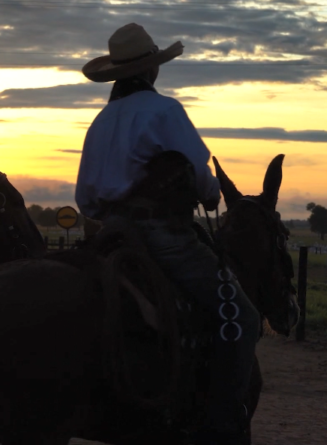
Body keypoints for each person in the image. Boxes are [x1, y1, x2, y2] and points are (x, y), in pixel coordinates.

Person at [75, 24, 260, 445]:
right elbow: (200, 175)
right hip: (162, 237)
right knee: (241, 317)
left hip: (110, 236)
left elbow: (86, 199)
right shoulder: (164, 112)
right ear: (151, 70)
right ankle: (223, 425)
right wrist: (211, 195)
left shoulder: (101, 120)